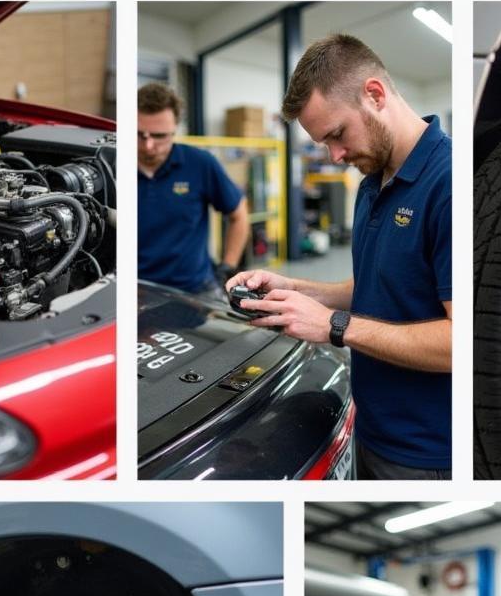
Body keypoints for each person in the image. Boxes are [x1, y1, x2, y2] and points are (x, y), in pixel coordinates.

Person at [226, 35, 451, 479]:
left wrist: (333, 325)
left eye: (337, 135)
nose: (335, 156)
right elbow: (380, 285)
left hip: (426, 454)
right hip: (366, 425)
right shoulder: (372, 181)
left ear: (375, 94)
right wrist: (295, 288)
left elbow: (462, 343)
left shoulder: (449, 184)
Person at [137, 82, 250, 298]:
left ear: (175, 130)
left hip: (196, 290)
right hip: (136, 291)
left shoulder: (200, 164)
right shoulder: (112, 167)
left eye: (159, 136)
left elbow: (239, 213)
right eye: (140, 134)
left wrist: (227, 268)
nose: (148, 145)